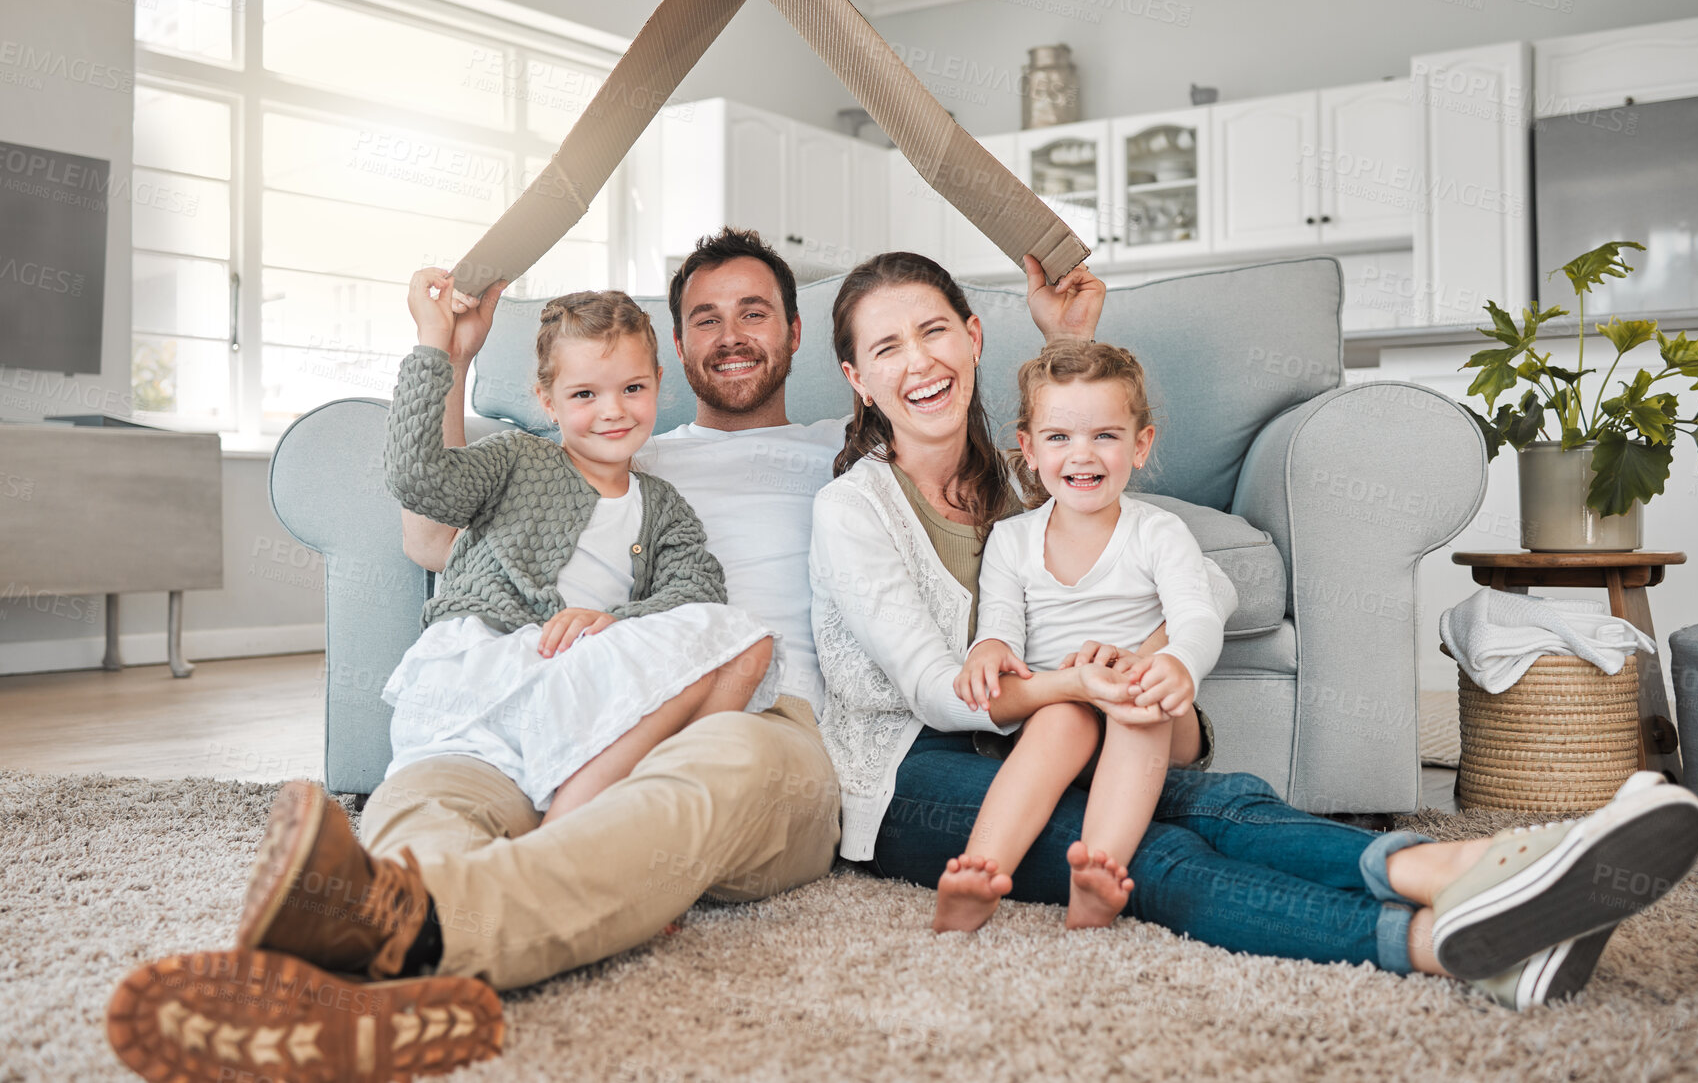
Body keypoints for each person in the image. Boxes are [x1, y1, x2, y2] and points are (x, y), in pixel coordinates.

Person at [105, 229, 1103, 1083]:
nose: (732, 333)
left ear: (803, 339)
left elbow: (1045, 485)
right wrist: (449, 358)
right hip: (567, 700)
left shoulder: (857, 455)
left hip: (758, 720)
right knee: (438, 783)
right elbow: (429, 538)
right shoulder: (615, 442)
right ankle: (384, 989)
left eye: (755, 310)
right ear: (673, 349)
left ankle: (403, 931)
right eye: (705, 317)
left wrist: (1069, 346)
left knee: (722, 764)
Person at [809, 250, 1698, 1010]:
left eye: (934, 330)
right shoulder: (853, 510)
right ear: (856, 377)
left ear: (971, 337)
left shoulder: (1023, 481)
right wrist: (1082, 684)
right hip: (907, 775)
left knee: (1222, 798)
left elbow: (1150, 540)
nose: (917, 360)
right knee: (1147, 851)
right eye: (885, 346)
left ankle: (1482, 862)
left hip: (1051, 730)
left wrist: (1151, 656)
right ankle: (1444, 939)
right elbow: (936, 691)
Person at [382, 275, 779, 824]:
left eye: (632, 389)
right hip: (496, 666)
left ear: (659, 384)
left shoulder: (662, 505)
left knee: (743, 638)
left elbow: (697, 592)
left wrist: (612, 620)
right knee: (452, 815)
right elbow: (417, 477)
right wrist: (434, 345)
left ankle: (593, 819)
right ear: (548, 401)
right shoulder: (516, 461)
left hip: (581, 677)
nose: (613, 411)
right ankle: (572, 825)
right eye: (585, 394)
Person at [940, 339, 1229, 932]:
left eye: (1105, 435)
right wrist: (987, 650)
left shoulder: (1159, 532)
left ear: (1139, 445)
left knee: (1134, 698)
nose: (1083, 455)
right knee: (1059, 713)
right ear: (1028, 448)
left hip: (1157, 722)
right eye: (1059, 437)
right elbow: (998, 629)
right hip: (1066, 718)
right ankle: (979, 872)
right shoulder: (1013, 539)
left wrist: (1177, 664)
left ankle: (1098, 874)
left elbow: (1196, 615)